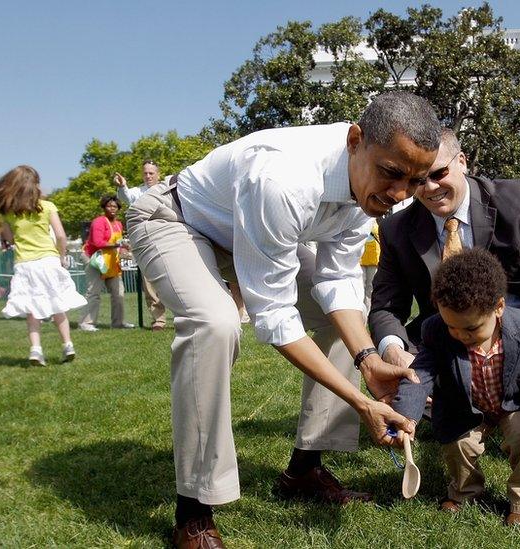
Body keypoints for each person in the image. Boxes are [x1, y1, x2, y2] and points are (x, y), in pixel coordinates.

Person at [125, 91, 436, 547]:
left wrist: (368, 360)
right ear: (355, 141)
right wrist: (360, 400)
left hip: (244, 232)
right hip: (175, 220)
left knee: (344, 318)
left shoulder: (369, 188)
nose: (399, 195)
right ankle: (193, 511)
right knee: (215, 322)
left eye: (414, 180)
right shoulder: (284, 178)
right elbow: (273, 314)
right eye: (392, 174)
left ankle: (305, 470)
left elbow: (337, 282)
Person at [369, 128, 520, 499]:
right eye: (419, 180)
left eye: (439, 174)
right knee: (411, 346)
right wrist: (391, 348)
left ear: (462, 161)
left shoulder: (516, 198)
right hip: (448, 332)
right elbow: (386, 306)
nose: (430, 188)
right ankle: (453, 420)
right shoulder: (397, 228)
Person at [391, 249, 520, 525]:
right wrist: (406, 413)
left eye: (471, 329)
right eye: (452, 328)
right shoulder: (435, 330)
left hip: (514, 403)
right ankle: (465, 492)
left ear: (499, 307)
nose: (459, 335)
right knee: (459, 446)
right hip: (465, 407)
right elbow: (420, 373)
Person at [0, 165, 86, 365]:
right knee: (57, 303)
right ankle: (67, 345)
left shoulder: (10, 213)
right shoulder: (47, 207)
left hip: (25, 264)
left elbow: (8, 237)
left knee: (32, 308)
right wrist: (62, 256)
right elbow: (60, 235)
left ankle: (36, 349)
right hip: (49, 260)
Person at [116, 160, 168, 330]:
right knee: (149, 284)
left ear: (158, 174)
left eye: (151, 173)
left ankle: (187, 317)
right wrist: (123, 186)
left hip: (167, 239)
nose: (148, 176)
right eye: (145, 173)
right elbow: (125, 197)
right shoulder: (138, 192)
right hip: (146, 243)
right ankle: (159, 320)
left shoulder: (165, 189)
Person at [78, 195, 132, 332]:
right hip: (95, 259)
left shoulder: (119, 224)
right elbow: (97, 242)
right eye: (109, 206)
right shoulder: (99, 222)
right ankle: (86, 323)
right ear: (104, 207)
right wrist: (117, 244)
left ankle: (118, 323)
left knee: (118, 293)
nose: (112, 209)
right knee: (94, 292)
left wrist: (125, 249)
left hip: (111, 262)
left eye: (115, 206)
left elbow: (118, 246)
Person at [361, 220, 380, 312]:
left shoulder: (375, 224)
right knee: (360, 287)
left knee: (370, 288)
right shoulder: (359, 222)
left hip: (373, 259)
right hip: (360, 259)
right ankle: (360, 312)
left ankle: (368, 312)